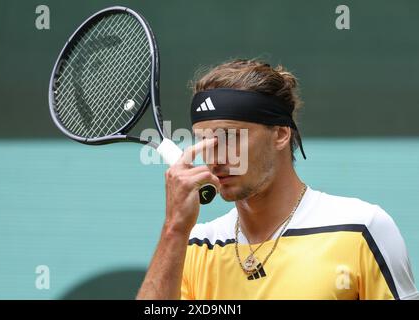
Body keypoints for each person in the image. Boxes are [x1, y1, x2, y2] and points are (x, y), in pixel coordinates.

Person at [136, 59, 418, 299]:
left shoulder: (361, 228)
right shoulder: (195, 245)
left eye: (230, 137)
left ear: (281, 134)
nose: (216, 157)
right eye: (205, 141)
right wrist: (174, 228)